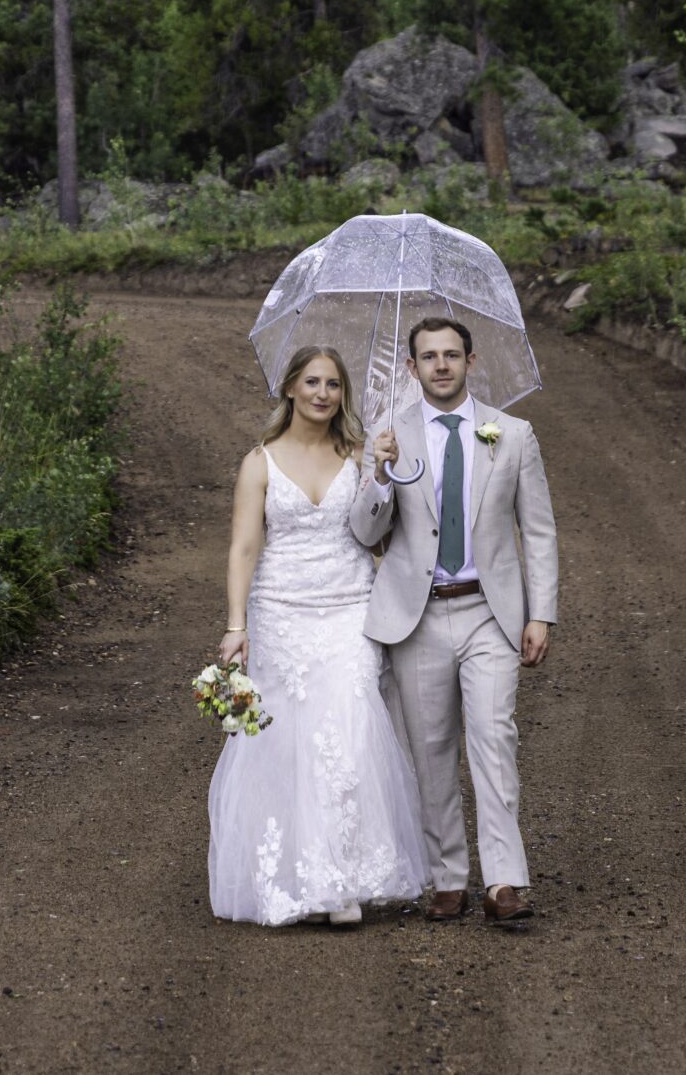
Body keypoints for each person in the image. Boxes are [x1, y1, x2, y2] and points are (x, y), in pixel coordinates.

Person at [208, 346, 429, 925]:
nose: (323, 393)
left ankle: (346, 880)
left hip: (349, 609)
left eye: (333, 384)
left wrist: (379, 472)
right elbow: (244, 548)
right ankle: (298, 877)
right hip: (280, 612)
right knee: (287, 743)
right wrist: (237, 625)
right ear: (289, 389)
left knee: (351, 729)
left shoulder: (358, 453)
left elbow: (376, 533)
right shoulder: (259, 462)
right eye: (312, 382)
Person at [352, 315, 559, 925]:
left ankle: (503, 881)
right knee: (430, 748)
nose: (440, 365)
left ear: (470, 361)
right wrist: (378, 474)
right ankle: (447, 876)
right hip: (416, 616)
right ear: (411, 369)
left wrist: (541, 613)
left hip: (489, 613)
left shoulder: (512, 434)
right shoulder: (388, 436)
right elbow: (366, 532)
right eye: (428, 356)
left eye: (451, 354)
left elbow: (539, 529)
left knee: (494, 742)